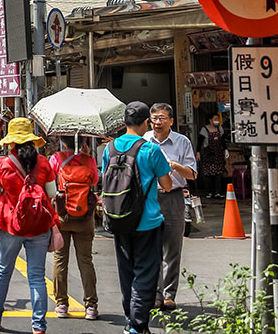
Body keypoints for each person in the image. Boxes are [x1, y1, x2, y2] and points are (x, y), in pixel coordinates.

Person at [102, 102, 172, 334]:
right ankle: (137, 324)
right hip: (147, 221)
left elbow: (105, 179)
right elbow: (167, 185)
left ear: (124, 122)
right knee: (146, 273)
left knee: (127, 271)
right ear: (146, 123)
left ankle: (130, 318)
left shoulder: (109, 149)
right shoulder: (151, 150)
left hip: (118, 218)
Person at [0, 117, 58, 334]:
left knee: (3, 271)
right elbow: (52, 193)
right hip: (39, 225)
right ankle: (39, 326)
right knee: (37, 276)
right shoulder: (43, 162)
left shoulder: (3, 164)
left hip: (10, 225)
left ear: (11, 142)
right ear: (32, 141)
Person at [144, 103, 197, 311]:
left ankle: (169, 294)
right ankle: (155, 294)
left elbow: (192, 174)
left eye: (162, 118)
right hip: (150, 197)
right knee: (152, 248)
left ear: (171, 121)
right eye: (154, 118)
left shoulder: (182, 142)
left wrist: (175, 166)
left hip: (174, 197)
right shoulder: (144, 140)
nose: (157, 122)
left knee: (173, 248)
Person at [48, 135, 100, 320]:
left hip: (62, 215)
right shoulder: (89, 160)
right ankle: (91, 306)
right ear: (84, 141)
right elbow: (94, 182)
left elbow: (50, 184)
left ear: (62, 141)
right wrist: (85, 156)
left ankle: (61, 304)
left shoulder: (56, 159)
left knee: (60, 259)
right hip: (84, 216)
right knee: (85, 260)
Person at [197, 113, 228, 199]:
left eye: (218, 119)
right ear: (210, 120)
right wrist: (198, 152)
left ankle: (218, 192)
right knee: (208, 173)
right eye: (215, 119)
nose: (217, 121)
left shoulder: (220, 128)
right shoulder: (204, 129)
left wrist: (225, 149)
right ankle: (209, 192)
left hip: (218, 154)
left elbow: (223, 140)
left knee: (218, 173)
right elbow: (200, 142)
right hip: (208, 154)